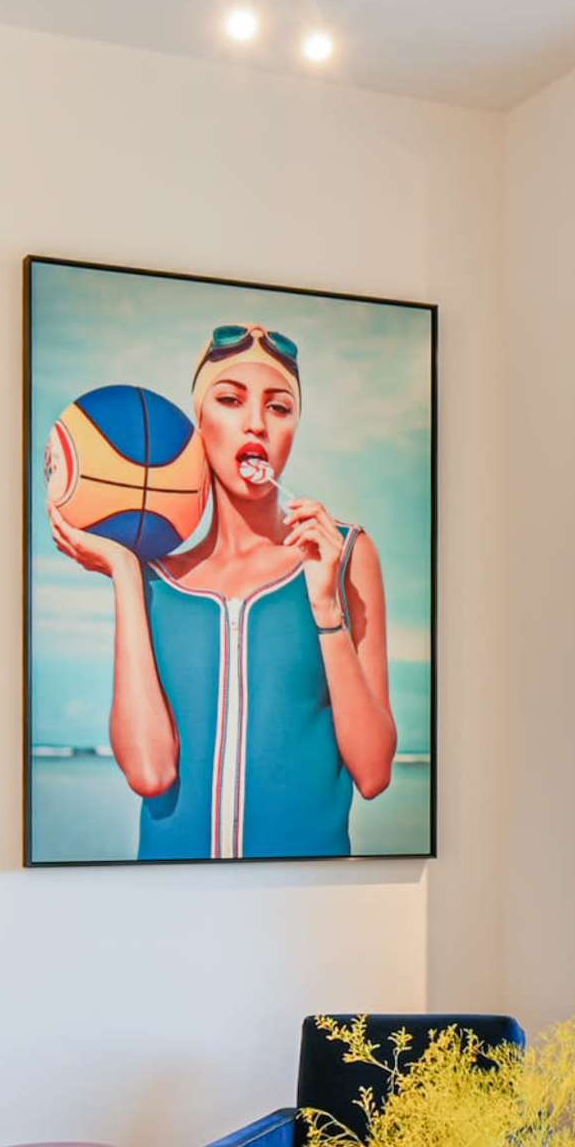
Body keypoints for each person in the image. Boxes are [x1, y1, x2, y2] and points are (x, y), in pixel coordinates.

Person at [50, 322, 397, 860]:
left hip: (307, 908)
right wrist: (124, 574)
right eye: (231, 401)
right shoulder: (154, 579)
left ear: (294, 429)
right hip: (170, 908)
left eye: (279, 409)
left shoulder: (344, 554)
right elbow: (150, 771)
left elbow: (373, 773)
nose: (255, 424)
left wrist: (325, 607)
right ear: (200, 423)